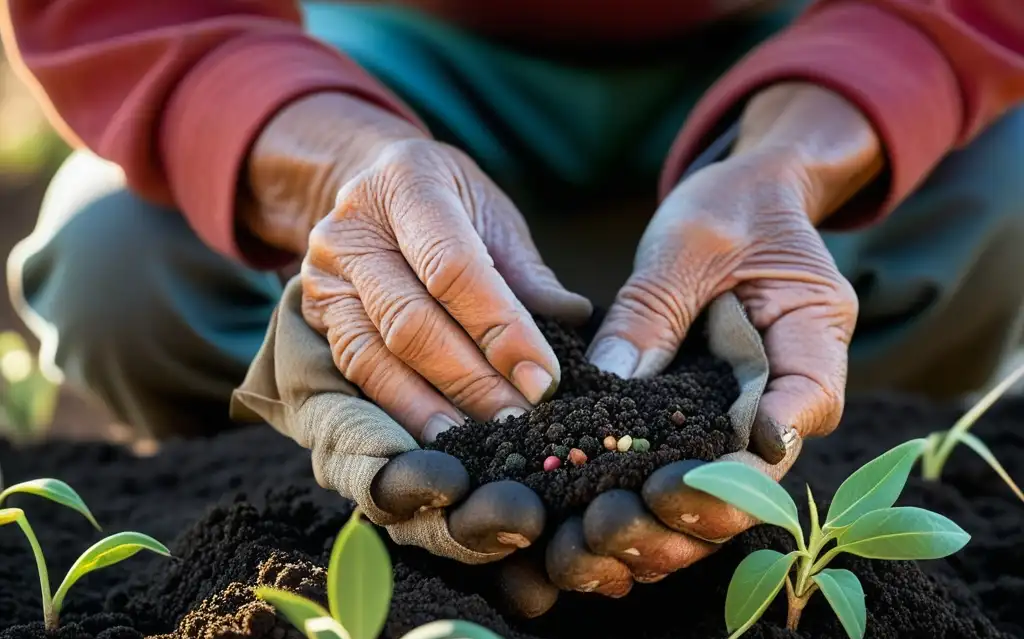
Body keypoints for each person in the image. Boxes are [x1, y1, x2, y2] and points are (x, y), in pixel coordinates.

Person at [3, 1, 1023, 606]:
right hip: (385, 59)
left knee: (1003, 204)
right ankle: (374, 435)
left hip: (797, 58)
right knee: (120, 274)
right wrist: (341, 166)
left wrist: (792, 161)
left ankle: (788, 398)